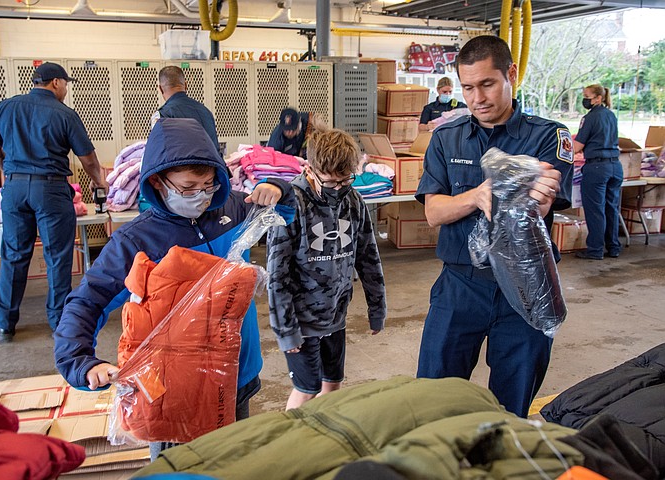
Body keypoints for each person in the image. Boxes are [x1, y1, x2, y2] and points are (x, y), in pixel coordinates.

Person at [54, 118, 294, 459]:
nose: (200, 196)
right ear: (157, 180)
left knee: (233, 462)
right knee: (178, 467)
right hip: (175, 390)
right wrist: (80, 361)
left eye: (209, 185)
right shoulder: (136, 241)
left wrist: (279, 189)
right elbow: (87, 302)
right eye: (188, 187)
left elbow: (287, 210)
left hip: (237, 374)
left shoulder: (229, 210)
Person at [415, 35, 574, 418]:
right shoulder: (446, 138)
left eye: (487, 84)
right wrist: (478, 194)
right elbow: (434, 212)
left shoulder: (549, 135)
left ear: (511, 75)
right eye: (468, 88)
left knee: (511, 403)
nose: (477, 98)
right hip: (460, 286)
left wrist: (531, 187)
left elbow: (543, 197)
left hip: (526, 288)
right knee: (432, 397)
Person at [267, 127, 387, 410]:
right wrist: (286, 330)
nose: (339, 189)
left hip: (336, 314)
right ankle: (290, 445)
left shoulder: (353, 200)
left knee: (332, 385)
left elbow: (368, 256)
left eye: (345, 180)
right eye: (331, 182)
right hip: (302, 320)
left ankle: (321, 440)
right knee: (306, 390)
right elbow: (277, 275)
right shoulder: (292, 205)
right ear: (310, 169)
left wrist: (377, 308)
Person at [0, 62, 107, 344]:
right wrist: (100, 182)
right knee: (57, 257)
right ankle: (58, 322)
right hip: (50, 189)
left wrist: (8, 169)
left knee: (14, 256)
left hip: (15, 187)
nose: (66, 89)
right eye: (66, 84)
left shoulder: (6, 107)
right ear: (56, 82)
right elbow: (88, 158)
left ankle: (4, 325)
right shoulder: (65, 114)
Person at [573, 84, 622, 260]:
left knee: (595, 209)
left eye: (587, 96)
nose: (584, 100)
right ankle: (613, 247)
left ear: (598, 98)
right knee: (611, 208)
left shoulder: (590, 118)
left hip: (597, 168)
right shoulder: (611, 115)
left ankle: (595, 249)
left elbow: (578, 146)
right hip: (615, 166)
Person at [152, 66, 222, 157]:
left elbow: (157, 154)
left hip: (182, 170)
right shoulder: (206, 111)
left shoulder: (163, 115)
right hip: (212, 169)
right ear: (186, 85)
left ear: (160, 89)